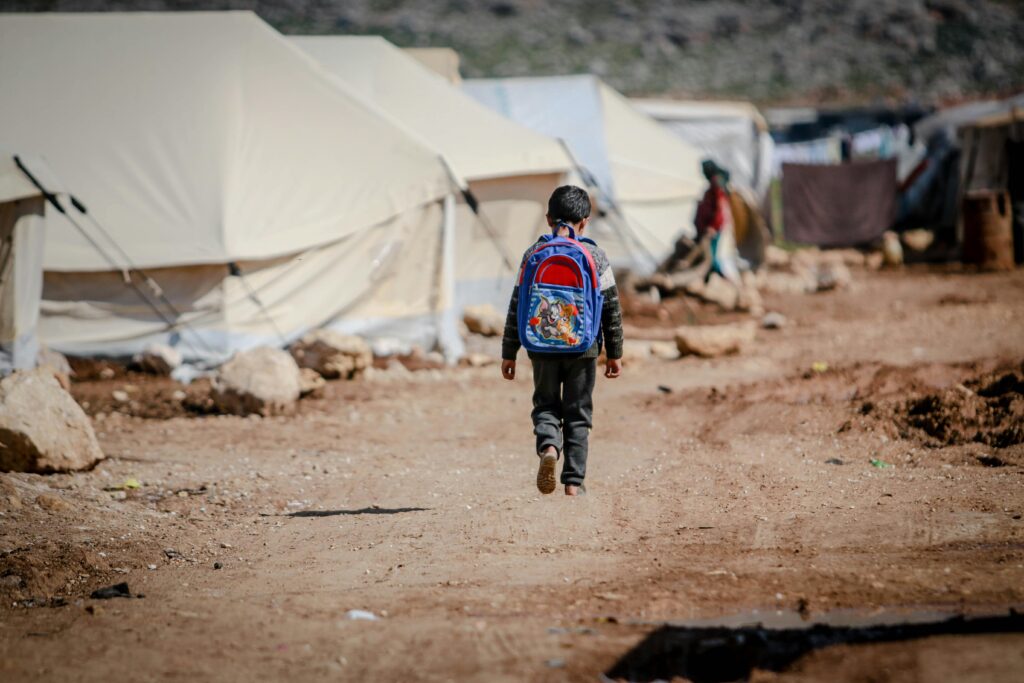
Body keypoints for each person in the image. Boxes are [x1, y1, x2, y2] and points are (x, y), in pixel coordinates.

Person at [500, 185, 624, 497]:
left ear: (548, 219)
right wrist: (614, 353)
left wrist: (509, 352)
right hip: (584, 347)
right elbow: (611, 308)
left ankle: (549, 448)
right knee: (578, 411)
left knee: (545, 404)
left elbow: (517, 304)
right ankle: (573, 482)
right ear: (586, 221)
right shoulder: (595, 256)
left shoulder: (532, 255)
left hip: (540, 346)